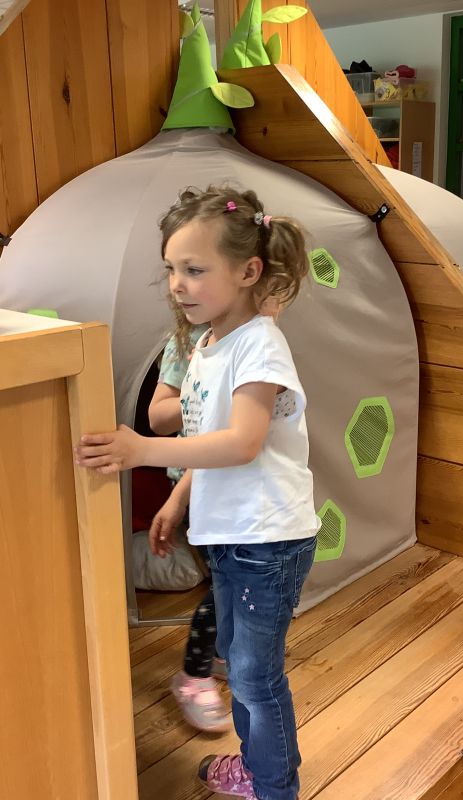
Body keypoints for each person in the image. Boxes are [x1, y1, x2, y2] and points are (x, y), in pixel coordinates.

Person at [75, 185, 319, 800]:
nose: (177, 285)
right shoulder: (207, 345)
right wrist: (178, 498)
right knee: (237, 660)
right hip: (233, 536)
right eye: (171, 270)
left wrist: (142, 450)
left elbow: (242, 443)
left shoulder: (260, 343)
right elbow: (210, 440)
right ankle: (262, 769)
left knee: (255, 677)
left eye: (194, 269)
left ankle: (274, 787)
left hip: (268, 540)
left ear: (248, 272)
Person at [148, 326, 229, 733]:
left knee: (233, 580)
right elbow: (157, 417)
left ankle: (217, 652)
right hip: (198, 486)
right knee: (225, 584)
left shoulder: (255, 338)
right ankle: (193, 676)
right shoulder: (187, 342)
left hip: (241, 485)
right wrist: (202, 396)